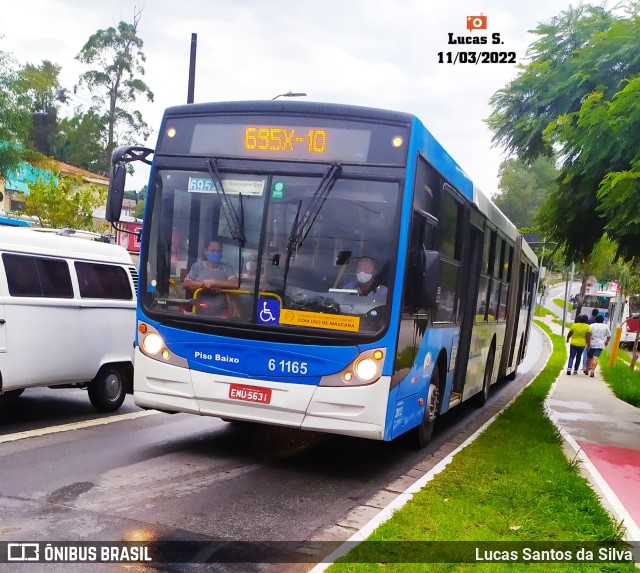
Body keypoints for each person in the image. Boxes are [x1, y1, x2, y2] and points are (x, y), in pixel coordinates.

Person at [183, 239, 238, 316]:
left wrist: (212, 283)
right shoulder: (198, 266)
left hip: (221, 314)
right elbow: (186, 283)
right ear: (205, 251)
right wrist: (204, 285)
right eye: (213, 250)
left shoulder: (227, 267)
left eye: (219, 251)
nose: (216, 253)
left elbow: (235, 283)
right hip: (198, 313)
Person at [582, 308, 600, 373]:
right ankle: (590, 367)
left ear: (592, 312)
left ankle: (585, 366)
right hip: (596, 341)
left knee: (586, 353)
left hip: (588, 338)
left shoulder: (588, 320)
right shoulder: (598, 322)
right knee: (593, 355)